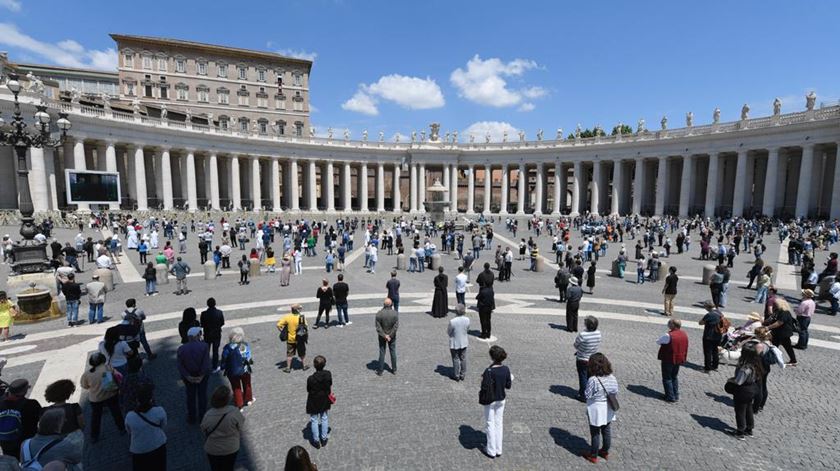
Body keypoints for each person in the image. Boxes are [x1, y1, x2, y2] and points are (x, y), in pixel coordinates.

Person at [80, 353, 126, 443]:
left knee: (96, 417)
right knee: (116, 412)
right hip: (111, 394)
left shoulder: (87, 374)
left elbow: (84, 386)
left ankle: (94, 436)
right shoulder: (108, 368)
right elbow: (118, 376)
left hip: (96, 398)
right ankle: (122, 428)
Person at [582, 353, 618, 464]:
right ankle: (605, 451)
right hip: (608, 408)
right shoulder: (612, 377)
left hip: (596, 409)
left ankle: (593, 455)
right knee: (606, 430)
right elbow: (615, 392)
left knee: (595, 433)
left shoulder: (593, 379)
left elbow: (587, 395)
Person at [479, 345, 512, 459]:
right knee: (499, 424)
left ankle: (491, 450)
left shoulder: (489, 371)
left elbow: (484, 387)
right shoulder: (506, 369)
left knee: (490, 424)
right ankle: (499, 449)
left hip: (490, 400)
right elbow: (508, 386)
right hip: (501, 399)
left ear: (492, 357)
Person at [202, 385, 245, 471]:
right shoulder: (234, 412)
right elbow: (240, 425)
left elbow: (204, 429)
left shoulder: (208, 414)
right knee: (229, 467)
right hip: (231, 447)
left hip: (213, 448)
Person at [125, 383, 167, 469]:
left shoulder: (130, 416)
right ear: (151, 399)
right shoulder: (159, 411)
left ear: (137, 400)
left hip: (139, 450)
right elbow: (163, 425)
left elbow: (129, 431)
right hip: (158, 445)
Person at [726, 344, 763, 440]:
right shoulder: (756, 365)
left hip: (742, 391)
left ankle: (740, 431)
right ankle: (749, 429)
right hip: (752, 390)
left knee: (740, 411)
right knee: (748, 409)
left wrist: (730, 380)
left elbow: (738, 382)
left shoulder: (744, 368)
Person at [0, 379, 41, 459]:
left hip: (6, 442)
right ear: (23, 392)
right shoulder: (31, 404)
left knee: (12, 461)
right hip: (26, 443)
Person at [177, 327, 211, 424]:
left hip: (189, 376)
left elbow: (180, 365)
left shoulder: (181, 348)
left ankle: (192, 417)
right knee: (202, 395)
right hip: (202, 376)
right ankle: (202, 416)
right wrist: (201, 376)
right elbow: (206, 363)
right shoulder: (204, 346)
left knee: (190, 396)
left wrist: (187, 376)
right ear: (197, 336)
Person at [220, 328, 254, 410]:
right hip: (245, 369)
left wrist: (223, 367)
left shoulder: (228, 347)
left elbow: (224, 358)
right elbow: (249, 357)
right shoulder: (245, 345)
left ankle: (239, 404)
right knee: (247, 384)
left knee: (236, 387)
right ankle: (248, 399)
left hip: (232, 370)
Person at [656, 318, 688, 403]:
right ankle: (675, 394)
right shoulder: (684, 334)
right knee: (674, 377)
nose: (668, 325)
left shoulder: (668, 335)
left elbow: (658, 342)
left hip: (668, 358)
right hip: (678, 358)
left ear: (673, 325)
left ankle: (670, 396)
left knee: (667, 378)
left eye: (669, 323)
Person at [306, 355, 332, 449]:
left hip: (313, 400)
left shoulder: (310, 379)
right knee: (324, 417)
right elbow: (330, 384)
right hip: (324, 399)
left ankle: (316, 440)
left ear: (314, 365)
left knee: (314, 420)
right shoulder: (328, 374)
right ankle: (324, 438)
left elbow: (308, 389)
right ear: (324, 364)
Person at [574, 316, 602, 401]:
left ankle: (583, 395)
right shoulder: (598, 333)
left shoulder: (583, 335)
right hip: (593, 358)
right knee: (590, 377)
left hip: (582, 358)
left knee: (583, 376)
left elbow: (576, 345)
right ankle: (591, 392)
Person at [276, 304, 309, 373]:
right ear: (297, 310)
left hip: (290, 339)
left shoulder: (287, 317)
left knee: (289, 354)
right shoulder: (301, 317)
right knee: (302, 353)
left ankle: (288, 368)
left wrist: (282, 331)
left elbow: (278, 325)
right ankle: (304, 365)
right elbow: (306, 327)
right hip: (300, 338)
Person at [764, 298, 797, 366]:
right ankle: (769, 358)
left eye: (775, 304)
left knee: (787, 347)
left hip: (784, 333)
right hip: (778, 332)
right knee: (774, 345)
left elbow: (779, 322)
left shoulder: (784, 312)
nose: (774, 305)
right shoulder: (778, 311)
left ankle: (793, 360)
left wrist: (768, 327)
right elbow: (772, 318)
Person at [374, 298, 398, 376]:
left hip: (382, 336)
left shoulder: (379, 314)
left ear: (384, 305)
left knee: (382, 352)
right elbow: (395, 326)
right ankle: (394, 369)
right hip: (392, 336)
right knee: (393, 352)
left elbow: (378, 327)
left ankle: (380, 370)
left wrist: (384, 335)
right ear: (391, 304)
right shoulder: (395, 313)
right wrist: (390, 335)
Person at [201, 298, 225, 372]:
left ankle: (206, 366)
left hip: (207, 334)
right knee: (215, 351)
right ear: (215, 303)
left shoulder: (204, 313)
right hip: (216, 334)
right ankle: (214, 366)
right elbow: (222, 323)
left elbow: (202, 324)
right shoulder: (219, 312)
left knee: (206, 351)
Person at [698, 300, 723, 372]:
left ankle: (707, 368)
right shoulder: (719, 312)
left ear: (708, 307)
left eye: (705, 307)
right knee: (715, 351)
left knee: (707, 352)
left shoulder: (709, 315)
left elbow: (700, 323)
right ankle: (715, 366)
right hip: (718, 335)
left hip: (709, 336)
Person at [447, 303, 469, 381]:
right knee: (463, 358)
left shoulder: (452, 321)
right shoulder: (467, 319)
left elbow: (449, 332)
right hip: (464, 341)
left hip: (454, 342)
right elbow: (467, 329)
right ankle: (463, 374)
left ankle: (456, 375)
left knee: (455, 359)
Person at [476, 263, 496, 339]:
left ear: (484, 267)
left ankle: (484, 333)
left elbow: (477, 281)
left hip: (483, 295)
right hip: (490, 292)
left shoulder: (481, 274)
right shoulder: (492, 274)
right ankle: (488, 333)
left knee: (483, 319)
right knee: (488, 319)